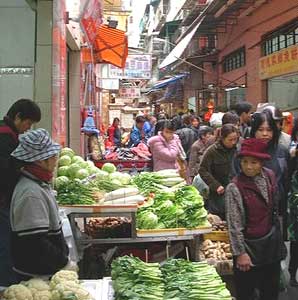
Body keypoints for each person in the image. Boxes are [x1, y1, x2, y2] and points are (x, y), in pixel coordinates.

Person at [225, 138, 284, 300]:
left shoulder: (270, 176)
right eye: (244, 161)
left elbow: (275, 210)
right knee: (246, 293)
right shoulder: (234, 187)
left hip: (270, 246)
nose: (248, 166)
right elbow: (234, 224)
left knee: (270, 292)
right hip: (249, 249)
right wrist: (240, 253)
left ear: (262, 162)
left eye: (254, 162)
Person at [10, 129, 70, 281]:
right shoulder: (31, 193)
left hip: (44, 270)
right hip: (36, 275)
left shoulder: (38, 184)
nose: (56, 159)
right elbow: (35, 242)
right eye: (53, 156)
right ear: (40, 160)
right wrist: (64, 262)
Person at [0, 99, 41, 286]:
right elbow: (5, 172)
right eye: (28, 123)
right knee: (4, 247)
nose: (28, 128)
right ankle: (6, 287)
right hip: (2, 202)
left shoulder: (8, 133)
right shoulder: (5, 136)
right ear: (18, 117)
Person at [249, 111, 289, 231]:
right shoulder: (245, 152)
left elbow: (285, 180)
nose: (265, 134)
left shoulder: (281, 151)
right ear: (254, 130)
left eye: (269, 130)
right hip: (251, 212)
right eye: (261, 130)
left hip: (276, 210)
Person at [199, 124, 238, 219]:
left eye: (235, 139)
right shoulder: (212, 151)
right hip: (219, 194)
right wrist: (215, 185)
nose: (233, 142)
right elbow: (203, 170)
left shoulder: (238, 150)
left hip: (235, 191)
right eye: (230, 140)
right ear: (222, 138)